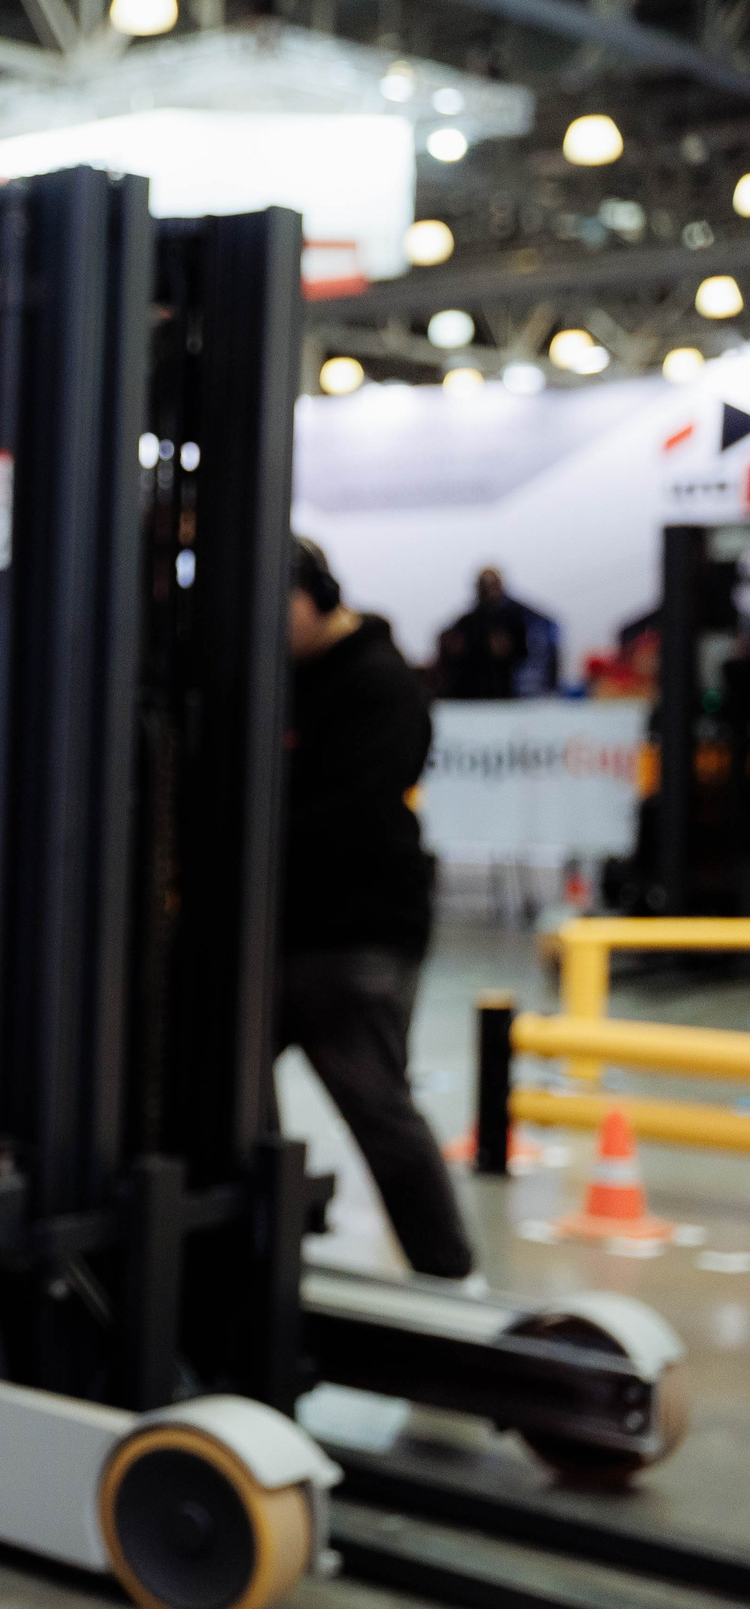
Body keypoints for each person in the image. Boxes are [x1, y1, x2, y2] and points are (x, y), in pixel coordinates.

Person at [278, 538, 476, 1282]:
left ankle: (449, 1276)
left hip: (354, 932)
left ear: (313, 597)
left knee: (374, 1104)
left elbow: (346, 810)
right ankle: (261, 1241)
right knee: (211, 1087)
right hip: (284, 928)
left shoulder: (378, 683)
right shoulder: (287, 678)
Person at [435, 566, 557, 700]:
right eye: (484, 586)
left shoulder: (513, 619)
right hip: (473, 693)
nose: (489, 591)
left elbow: (524, 653)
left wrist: (508, 649)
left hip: (504, 693)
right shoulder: (467, 622)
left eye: (492, 586)